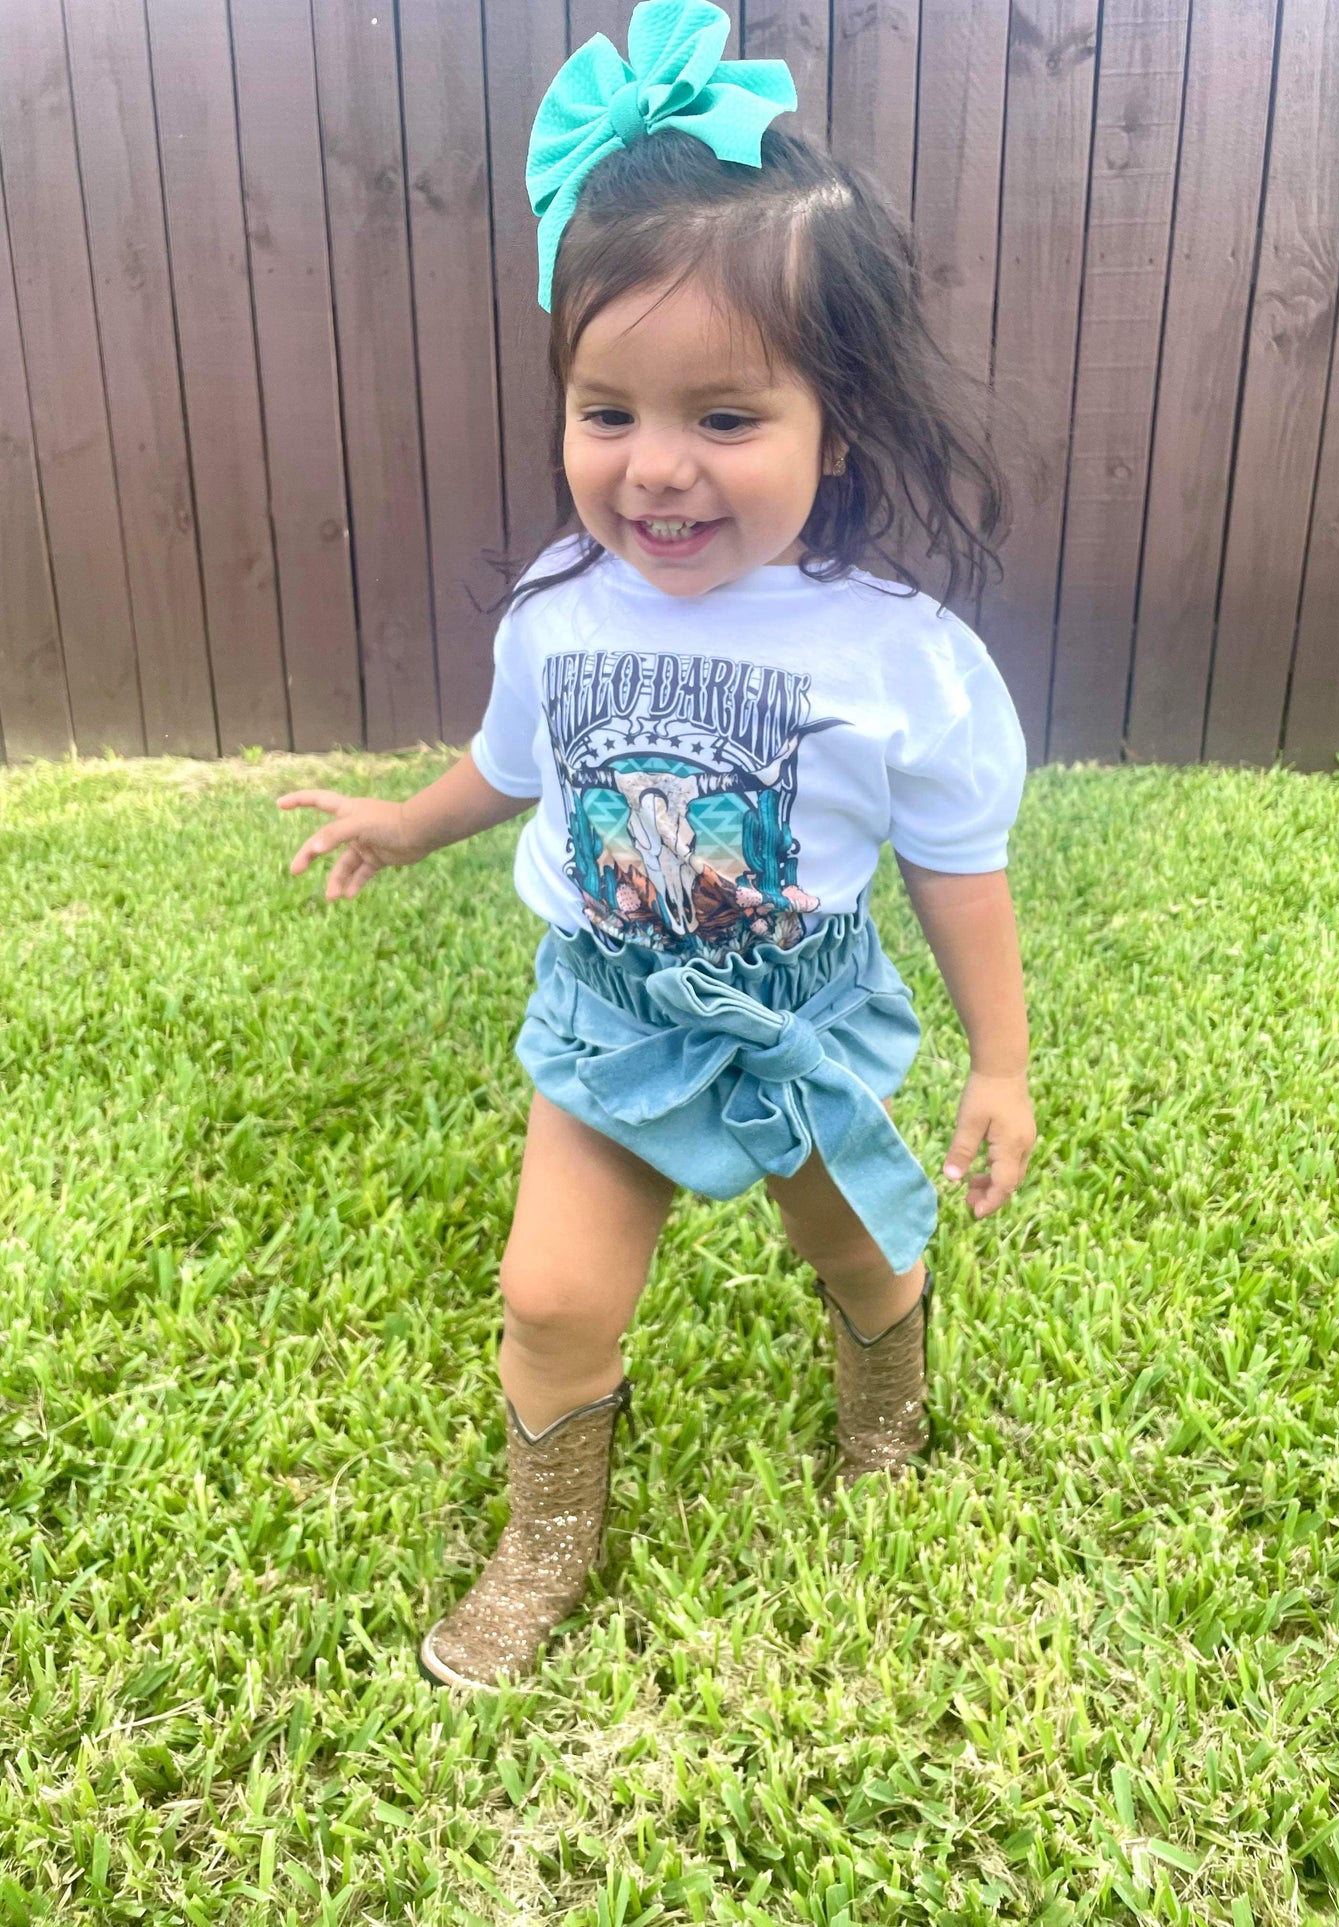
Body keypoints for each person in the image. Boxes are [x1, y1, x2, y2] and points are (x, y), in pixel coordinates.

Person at [278, 0, 1036, 1694]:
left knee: (853, 1245)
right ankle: (546, 1535)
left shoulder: (893, 653)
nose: (657, 470)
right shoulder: (560, 608)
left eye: (725, 418)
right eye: (606, 411)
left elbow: (954, 865)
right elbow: (515, 765)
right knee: (550, 1294)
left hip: (796, 1018)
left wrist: (1000, 1062)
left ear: (836, 424)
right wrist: (407, 822)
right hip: (611, 1015)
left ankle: (884, 1394)